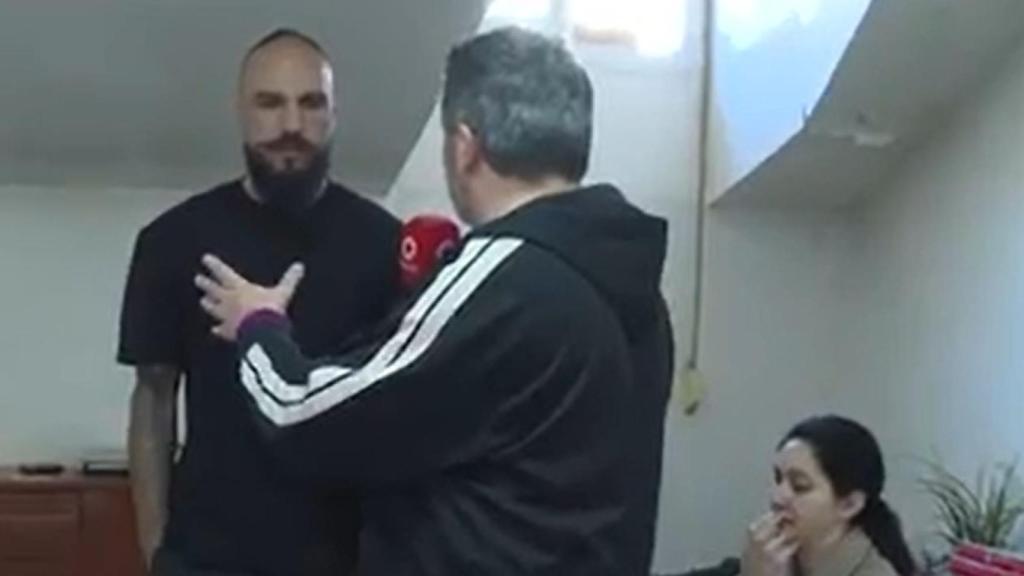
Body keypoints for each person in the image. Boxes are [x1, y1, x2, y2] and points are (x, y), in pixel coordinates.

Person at [193, 26, 674, 576]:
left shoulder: (501, 278)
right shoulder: (633, 288)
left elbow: (302, 415)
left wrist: (258, 324)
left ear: (465, 146)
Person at [117, 29, 401, 576]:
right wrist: (155, 551)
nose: (291, 124)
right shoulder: (171, 242)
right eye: (270, 103)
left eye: (311, 103)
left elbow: (403, 409)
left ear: (334, 113)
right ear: (240, 110)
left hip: (347, 557)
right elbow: (153, 397)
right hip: (205, 557)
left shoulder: (385, 245)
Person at [742, 416, 918, 576]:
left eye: (800, 487)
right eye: (778, 479)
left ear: (849, 505)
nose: (777, 498)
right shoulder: (771, 559)